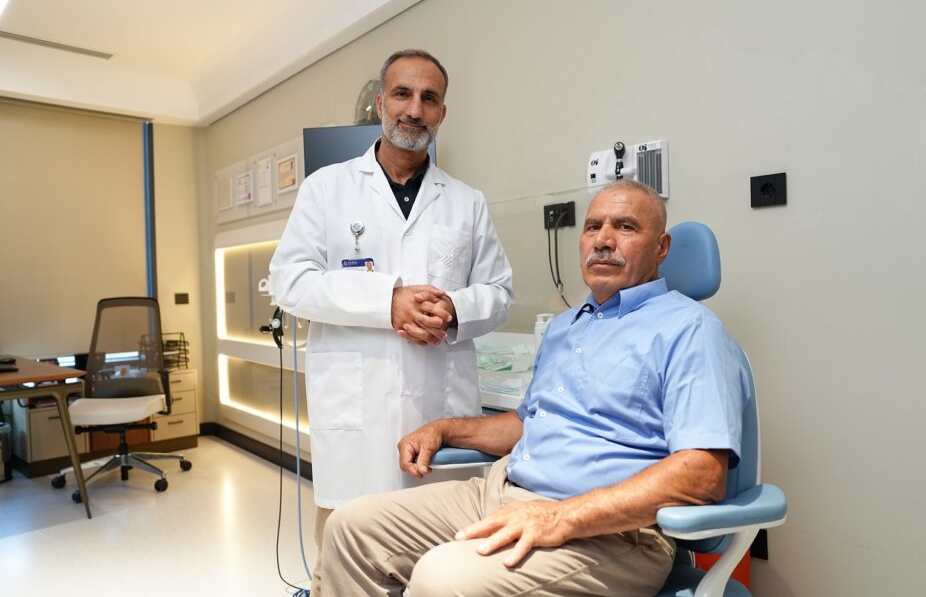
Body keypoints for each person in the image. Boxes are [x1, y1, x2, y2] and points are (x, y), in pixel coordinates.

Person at [318, 179, 749, 596]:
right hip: (504, 492)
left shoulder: (691, 330)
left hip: (612, 533)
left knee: (441, 579)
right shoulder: (566, 326)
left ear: (662, 247)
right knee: (352, 528)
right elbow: (528, 424)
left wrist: (563, 517)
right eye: (593, 227)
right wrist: (445, 429)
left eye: (625, 227)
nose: (603, 240)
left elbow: (703, 473)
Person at [269, 49, 514, 594]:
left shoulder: (467, 202)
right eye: (402, 94)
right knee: (344, 564)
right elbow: (290, 281)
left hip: (438, 412)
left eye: (429, 98)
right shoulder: (326, 189)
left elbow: (500, 292)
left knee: (442, 569)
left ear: (442, 113)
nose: (414, 109)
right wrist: (388, 301)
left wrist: (456, 310)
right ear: (380, 104)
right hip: (357, 418)